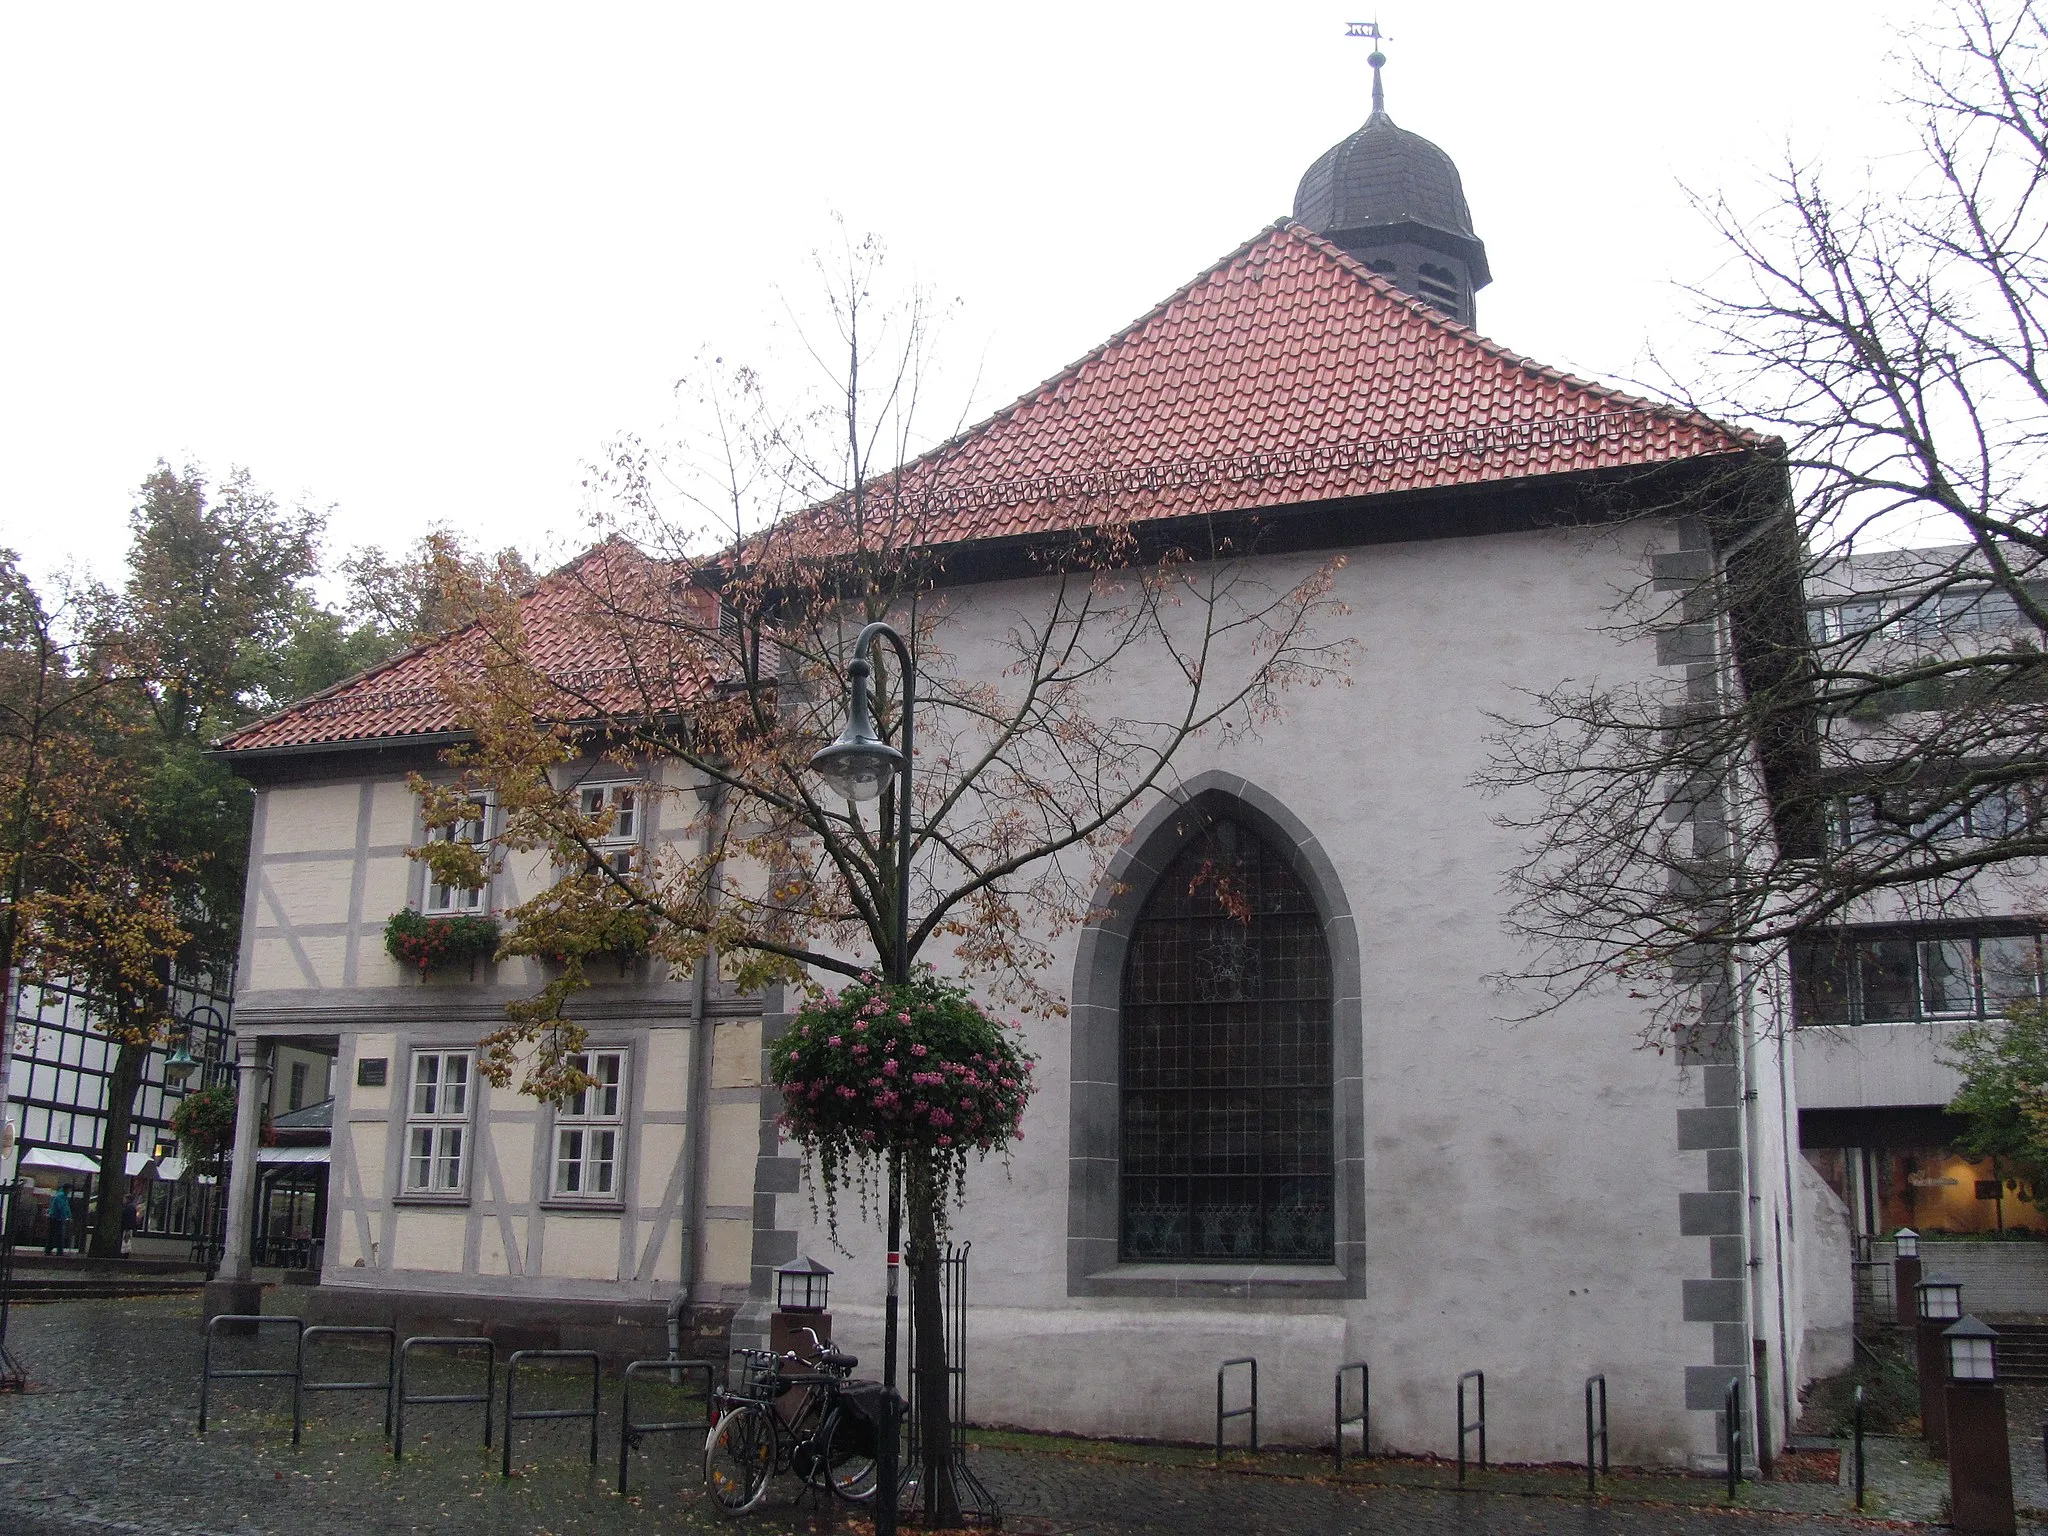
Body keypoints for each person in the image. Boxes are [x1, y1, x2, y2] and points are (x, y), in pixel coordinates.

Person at [45, 1185, 70, 1256]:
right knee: (59, 1235)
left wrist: (68, 1216)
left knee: (52, 1234)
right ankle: (59, 1251)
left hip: (55, 1217)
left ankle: (49, 1250)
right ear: (67, 1189)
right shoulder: (61, 1196)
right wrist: (66, 1216)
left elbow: (65, 1207)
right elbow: (62, 1207)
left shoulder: (61, 1195)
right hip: (56, 1218)